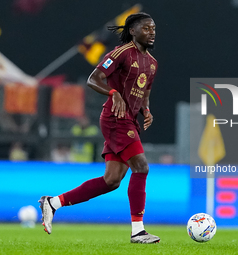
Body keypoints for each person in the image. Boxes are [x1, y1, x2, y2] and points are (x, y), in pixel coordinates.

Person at [39, 12, 159, 244]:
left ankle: (53, 203)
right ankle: (138, 231)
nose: (152, 32)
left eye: (153, 28)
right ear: (133, 31)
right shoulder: (121, 53)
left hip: (130, 120)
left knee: (112, 180)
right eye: (146, 28)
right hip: (115, 118)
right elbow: (94, 79)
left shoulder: (153, 63)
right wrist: (113, 93)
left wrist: (146, 109)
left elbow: (144, 93)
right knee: (141, 167)